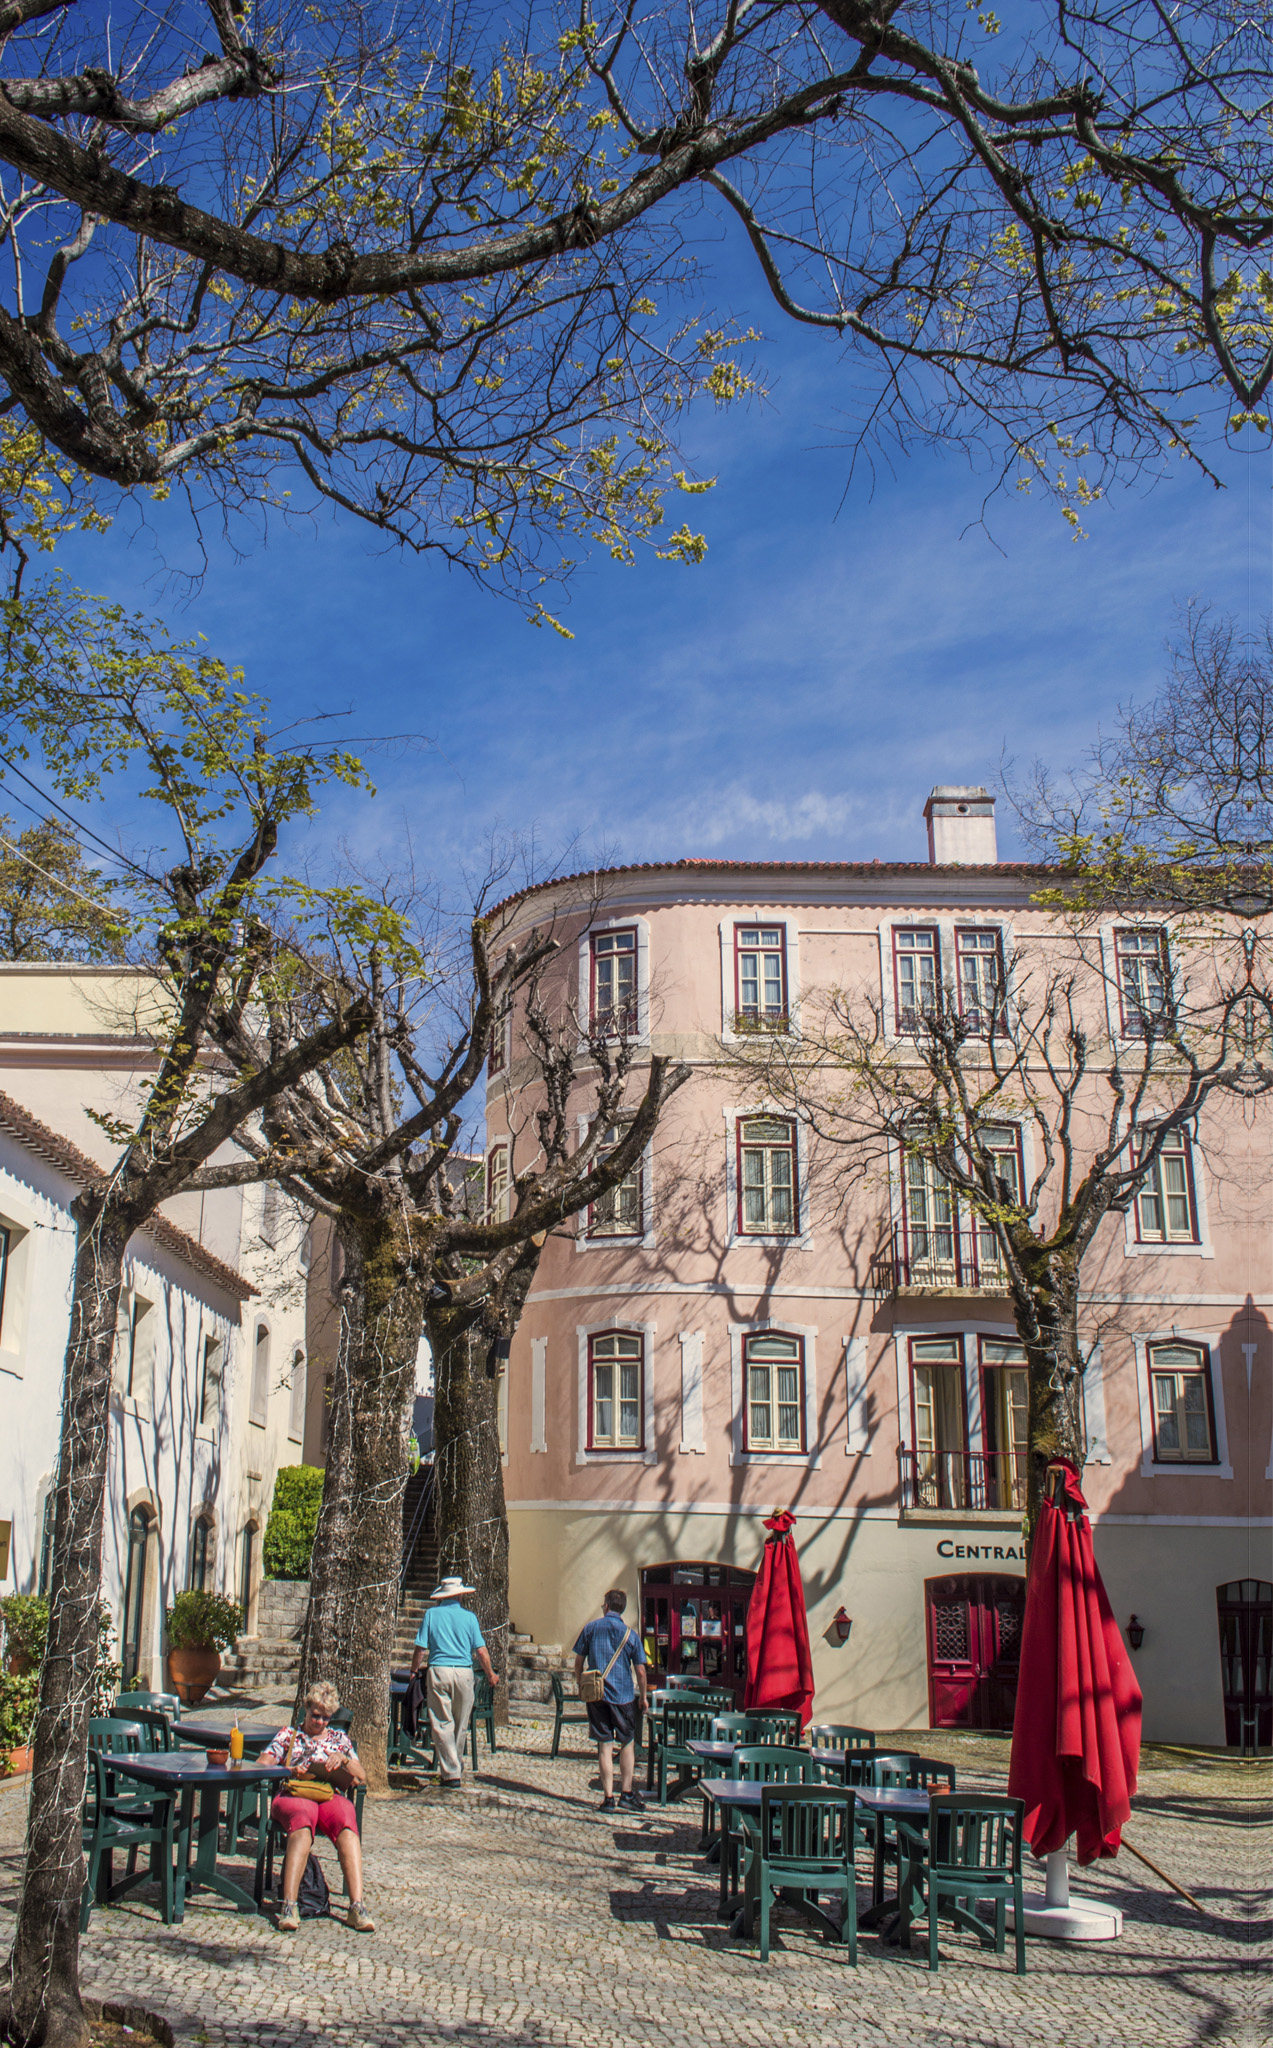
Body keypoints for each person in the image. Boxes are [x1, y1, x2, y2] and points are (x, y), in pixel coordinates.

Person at [261, 1681, 373, 1933]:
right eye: (316, 1715)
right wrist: (289, 1769)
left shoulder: (338, 1738)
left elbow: (361, 1775)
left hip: (326, 1793)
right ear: (306, 1709)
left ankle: (357, 1906)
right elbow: (262, 1764)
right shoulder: (288, 1736)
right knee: (303, 1816)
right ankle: (289, 1906)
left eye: (326, 1718)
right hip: (294, 1793)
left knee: (346, 1817)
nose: (320, 1722)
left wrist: (343, 1759)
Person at [409, 1574, 498, 1789]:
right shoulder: (470, 1618)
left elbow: (421, 1649)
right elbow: (481, 1651)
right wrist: (490, 1673)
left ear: (441, 1596)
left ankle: (451, 1771)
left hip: (439, 1671)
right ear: (460, 1596)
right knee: (460, 1723)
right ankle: (454, 1767)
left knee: (442, 1723)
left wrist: (413, 1670)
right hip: (464, 1673)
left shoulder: (431, 1614)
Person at [573, 1589, 649, 1813]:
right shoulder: (630, 1634)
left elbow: (578, 1661)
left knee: (604, 1745)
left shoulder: (591, 1629)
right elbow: (641, 1671)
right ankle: (626, 1792)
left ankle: (608, 1799)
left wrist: (580, 1684)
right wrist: (642, 1697)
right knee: (626, 1743)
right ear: (621, 1608)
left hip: (597, 1694)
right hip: (623, 1696)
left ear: (606, 1606)